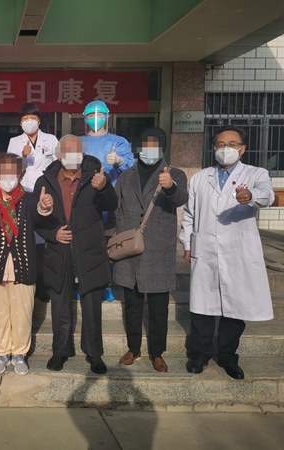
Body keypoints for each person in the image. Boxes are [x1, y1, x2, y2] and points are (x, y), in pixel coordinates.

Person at [180, 125, 274, 380]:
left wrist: (251, 195)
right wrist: (187, 244)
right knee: (202, 308)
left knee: (235, 309)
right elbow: (189, 214)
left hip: (238, 251)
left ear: (243, 149)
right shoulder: (201, 178)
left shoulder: (255, 174)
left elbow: (267, 195)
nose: (226, 149)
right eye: (221, 145)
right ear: (214, 149)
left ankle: (228, 357)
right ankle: (199, 355)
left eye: (232, 144)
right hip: (205, 249)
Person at [33, 135, 117, 374]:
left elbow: (111, 204)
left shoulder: (95, 177)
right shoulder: (45, 181)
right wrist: (52, 232)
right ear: (59, 156)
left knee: (92, 305)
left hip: (89, 249)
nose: (73, 156)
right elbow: (36, 219)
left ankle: (94, 353)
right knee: (60, 304)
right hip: (59, 251)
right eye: (67, 152)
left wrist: (104, 187)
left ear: (83, 154)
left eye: (77, 151)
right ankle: (60, 351)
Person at [0, 154, 54, 375]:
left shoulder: (30, 199)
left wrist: (44, 208)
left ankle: (19, 354)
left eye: (13, 172)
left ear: (21, 175)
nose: (8, 177)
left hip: (23, 267)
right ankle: (1, 353)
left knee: (22, 314)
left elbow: (41, 219)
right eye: (3, 172)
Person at [113, 127, 188, 373]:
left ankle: (157, 353)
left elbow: (180, 199)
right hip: (130, 248)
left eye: (154, 145)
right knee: (132, 305)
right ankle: (133, 349)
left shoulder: (174, 174)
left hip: (158, 251)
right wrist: (117, 235)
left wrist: (170, 187)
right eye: (144, 144)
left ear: (162, 148)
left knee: (158, 308)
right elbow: (117, 208)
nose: (148, 149)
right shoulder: (127, 176)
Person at [81, 100, 135, 301]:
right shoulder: (79, 142)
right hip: (85, 201)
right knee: (85, 244)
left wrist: (120, 161)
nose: (95, 119)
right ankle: (83, 283)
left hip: (110, 200)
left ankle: (106, 283)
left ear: (107, 117)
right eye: (91, 115)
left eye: (99, 115)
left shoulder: (118, 141)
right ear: (85, 118)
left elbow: (130, 168)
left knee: (108, 243)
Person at [7, 103, 58, 302]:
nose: (29, 122)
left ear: (39, 120)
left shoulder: (51, 140)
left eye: (33, 118)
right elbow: (9, 167)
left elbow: (57, 164)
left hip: (45, 194)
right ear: (20, 122)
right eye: (25, 118)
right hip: (23, 194)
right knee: (26, 239)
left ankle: (45, 285)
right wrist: (22, 156)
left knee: (44, 241)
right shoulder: (14, 142)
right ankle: (28, 281)